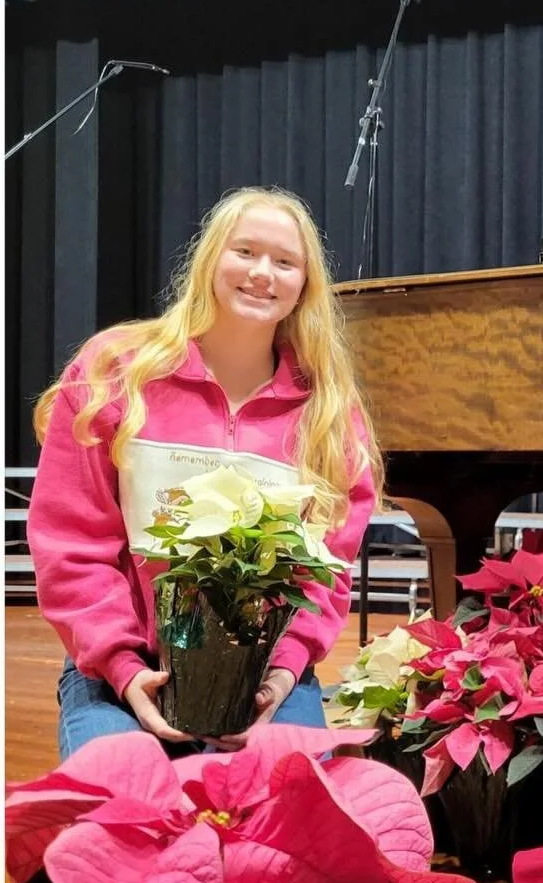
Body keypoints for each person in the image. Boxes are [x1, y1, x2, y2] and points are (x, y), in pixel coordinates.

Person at [30, 186, 381, 759]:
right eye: (245, 251)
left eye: (285, 262)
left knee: (293, 828)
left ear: (304, 287)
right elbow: (71, 544)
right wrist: (121, 667)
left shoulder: (329, 413)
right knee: (125, 820)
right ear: (209, 257)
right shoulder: (112, 371)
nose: (263, 273)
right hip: (122, 672)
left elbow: (328, 570)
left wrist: (282, 676)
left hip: (266, 676)